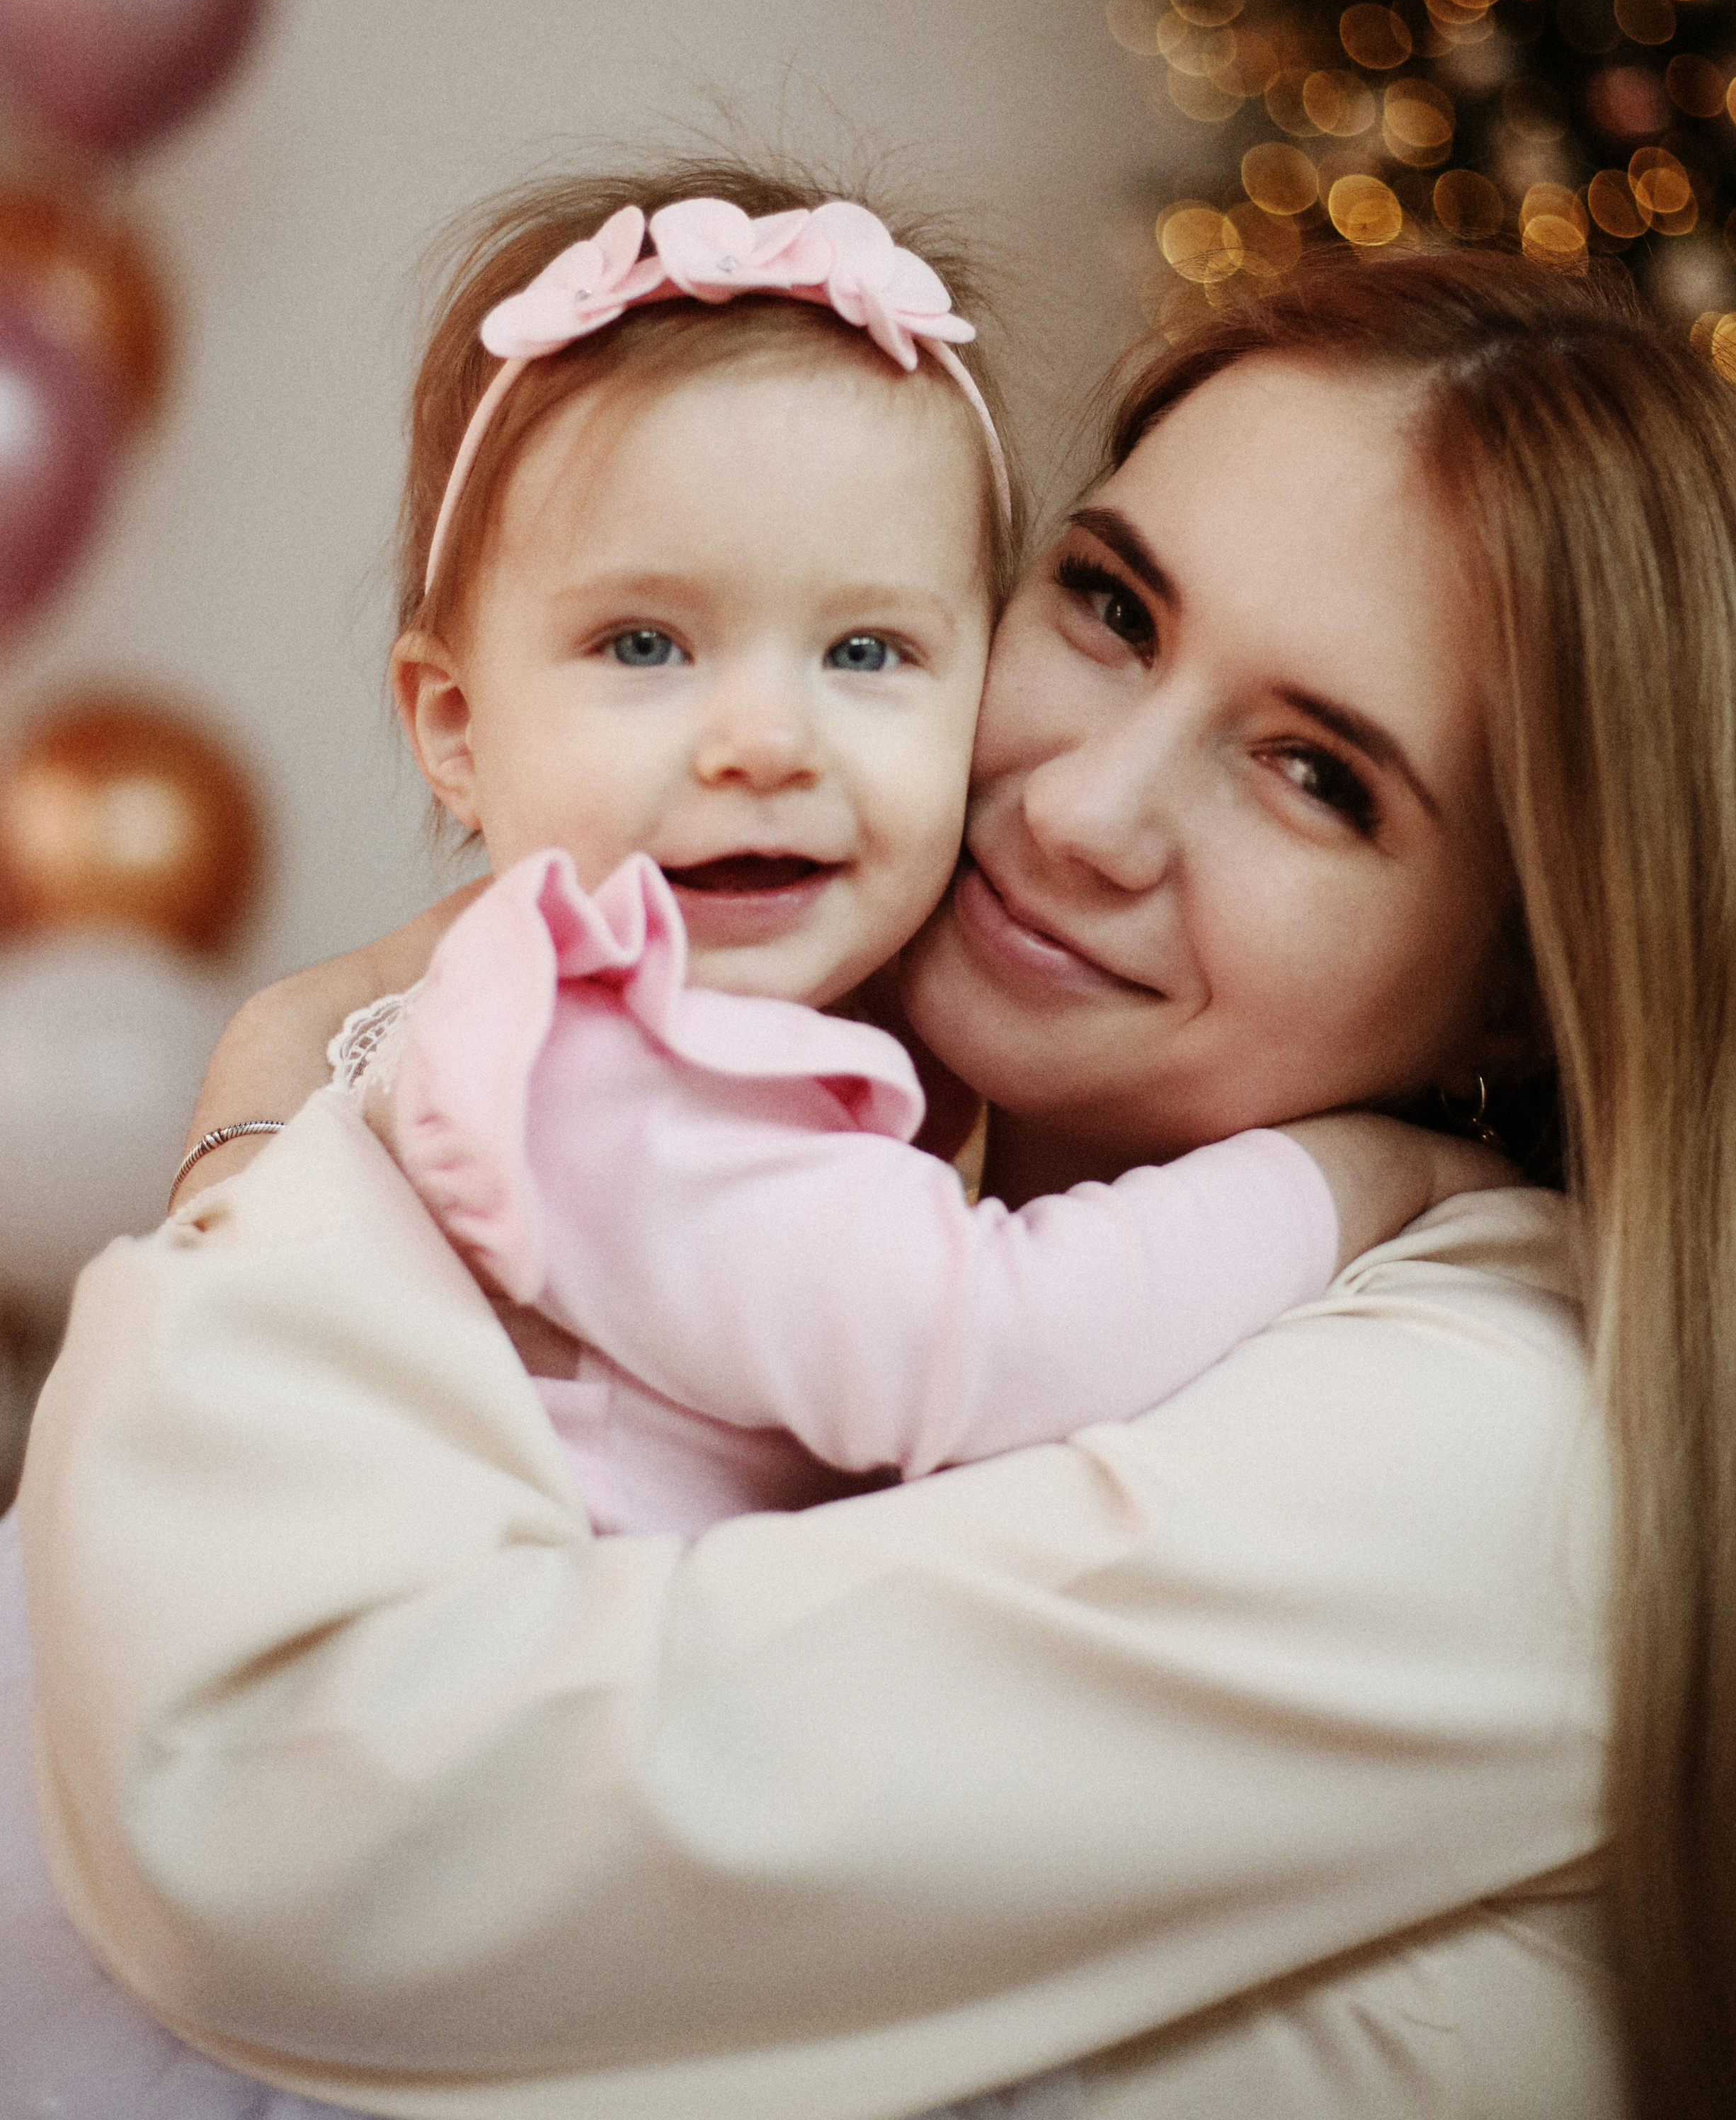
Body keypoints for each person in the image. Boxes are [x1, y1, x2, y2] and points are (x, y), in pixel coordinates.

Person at [20, 246, 1736, 2118]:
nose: (1078, 808)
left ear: (1532, 978)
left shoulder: (1520, 1438)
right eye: (1112, 607)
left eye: (1316, 774)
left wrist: (280, 1095)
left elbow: (273, 1828)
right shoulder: (800, 1160)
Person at [329, 164, 1487, 1535]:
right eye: (644, 644)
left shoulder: (1471, 1398)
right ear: (455, 725)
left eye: (864, 650)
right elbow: (986, 1344)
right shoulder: (601, 1070)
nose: (763, 743)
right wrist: (1362, 1176)